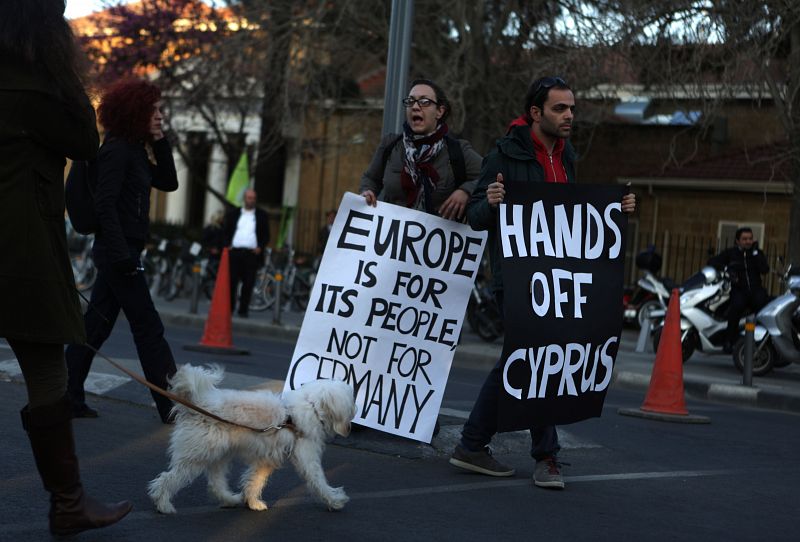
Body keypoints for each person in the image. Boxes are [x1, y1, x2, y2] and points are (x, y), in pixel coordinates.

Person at [449, 76, 637, 489]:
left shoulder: (566, 155)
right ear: (536, 113)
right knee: (536, 355)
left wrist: (617, 209)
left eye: (572, 108)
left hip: (557, 277)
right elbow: (477, 215)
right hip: (515, 278)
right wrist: (492, 203)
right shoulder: (505, 155)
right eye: (560, 109)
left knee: (535, 357)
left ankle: (473, 444)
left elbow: (571, 215)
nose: (569, 115)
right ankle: (544, 455)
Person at [0, 0, 132, 535]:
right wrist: (60, 68)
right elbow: (84, 137)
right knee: (46, 369)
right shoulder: (38, 87)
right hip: (21, 247)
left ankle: (70, 503)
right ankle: (68, 502)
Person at [65, 78, 180, 424]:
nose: (160, 116)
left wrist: (160, 142)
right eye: (154, 110)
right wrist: (121, 256)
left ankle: (67, 397)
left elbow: (170, 182)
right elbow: (105, 206)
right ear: (136, 112)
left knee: (94, 329)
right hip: (119, 254)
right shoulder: (116, 152)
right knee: (148, 327)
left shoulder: (134, 151)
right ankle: (171, 406)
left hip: (122, 252)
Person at [359, 78, 482, 219]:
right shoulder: (390, 145)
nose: (415, 107)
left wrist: (466, 191)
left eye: (424, 102)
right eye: (410, 101)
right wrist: (367, 192)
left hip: (438, 238)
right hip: (393, 236)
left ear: (439, 111)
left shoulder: (458, 151)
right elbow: (370, 179)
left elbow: (491, 176)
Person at [708, 227, 770, 353]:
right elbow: (712, 262)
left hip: (756, 289)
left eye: (750, 239)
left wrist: (755, 253)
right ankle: (729, 341)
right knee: (735, 308)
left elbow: (765, 270)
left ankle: (766, 342)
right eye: (744, 239)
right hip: (739, 290)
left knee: (765, 308)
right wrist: (726, 269)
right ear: (737, 241)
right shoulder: (731, 253)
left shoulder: (757, 253)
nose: (748, 241)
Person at [223, 189, 271, 318]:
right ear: (244, 199)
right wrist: (228, 245)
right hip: (235, 253)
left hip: (251, 255)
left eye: (253, 198)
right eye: (249, 198)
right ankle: (230, 308)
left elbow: (266, 235)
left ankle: (243, 310)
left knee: (248, 283)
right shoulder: (234, 214)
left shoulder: (261, 215)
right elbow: (226, 231)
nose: (251, 200)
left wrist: (260, 247)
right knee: (232, 282)